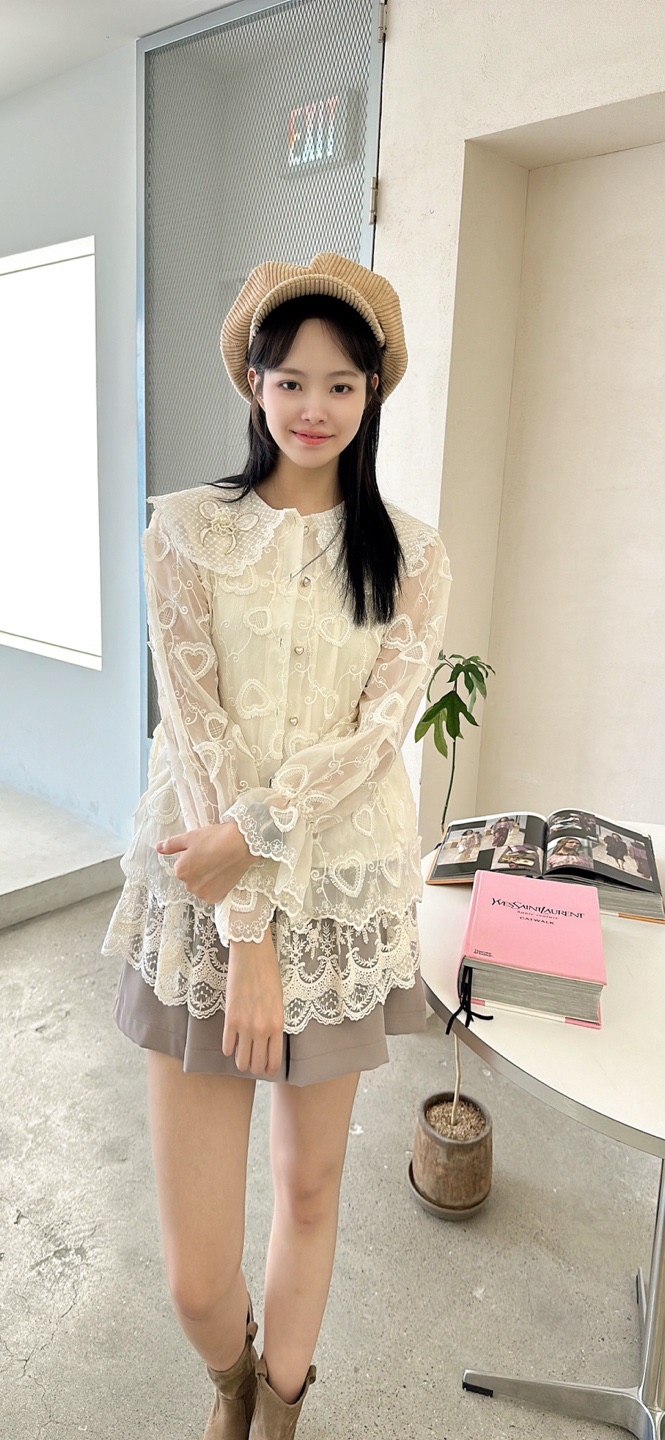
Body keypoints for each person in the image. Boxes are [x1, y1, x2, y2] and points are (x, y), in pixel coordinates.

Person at [101, 253, 453, 1439]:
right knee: (195, 1278)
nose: (313, 407)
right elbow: (195, 724)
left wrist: (253, 834)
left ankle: (281, 1409)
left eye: (340, 385)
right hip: (206, 907)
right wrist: (245, 929)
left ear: (370, 395)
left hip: (338, 896)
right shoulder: (184, 532)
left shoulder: (412, 555)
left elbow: (373, 738)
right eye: (289, 379)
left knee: (310, 1186)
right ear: (252, 382)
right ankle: (232, 1372)